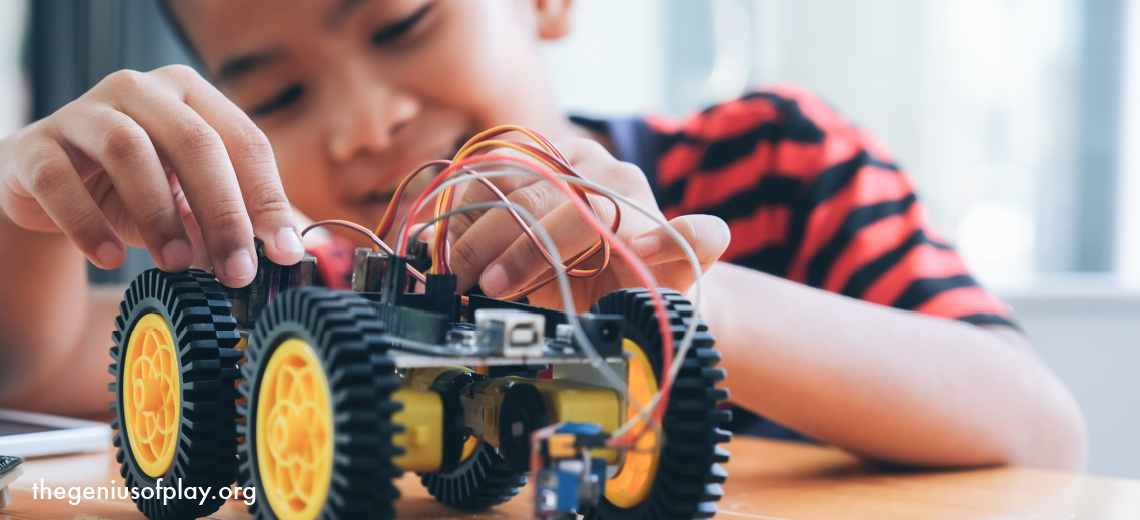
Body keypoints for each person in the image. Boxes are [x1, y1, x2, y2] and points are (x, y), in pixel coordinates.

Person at [0, 0, 1085, 470]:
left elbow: (1037, 431)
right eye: (277, 94)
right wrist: (27, 214)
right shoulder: (335, 287)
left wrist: (670, 291)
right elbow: (38, 362)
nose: (360, 121)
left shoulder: (781, 160)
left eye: (400, 24)